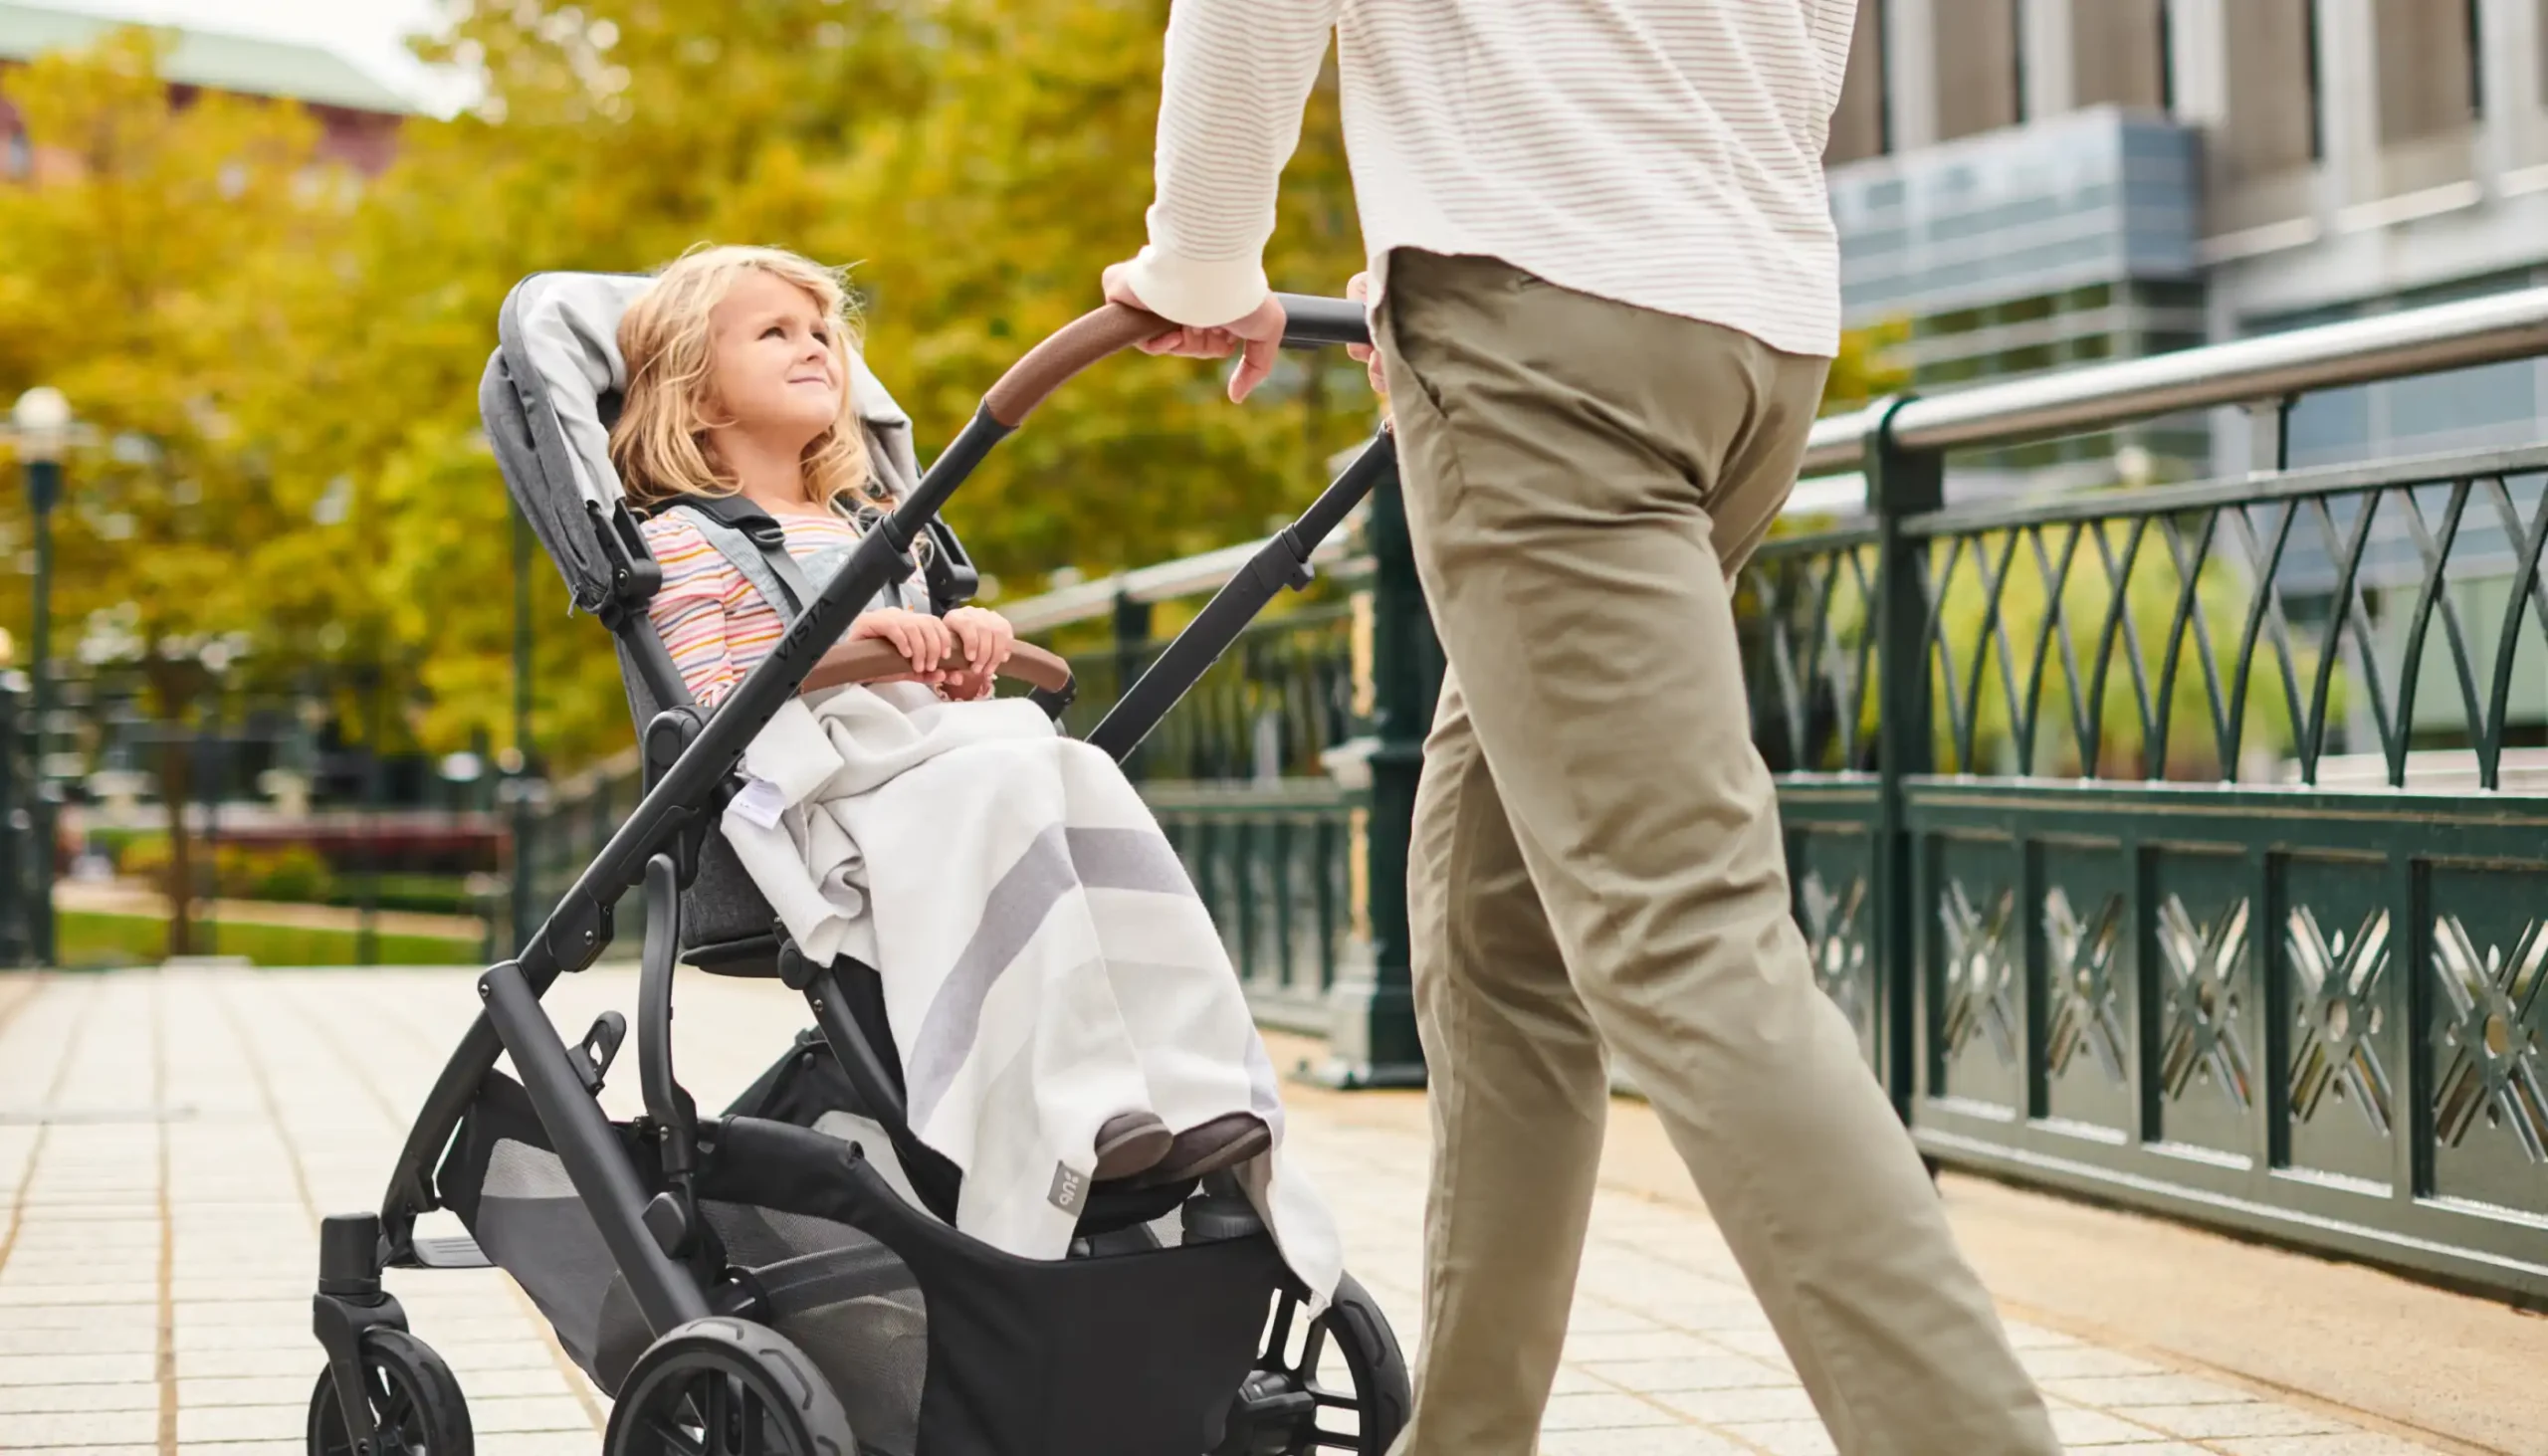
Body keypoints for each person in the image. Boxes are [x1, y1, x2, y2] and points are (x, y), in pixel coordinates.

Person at [1099, 4, 2063, 1453]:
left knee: (1686, 936)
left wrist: (1204, 262)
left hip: (1545, 334)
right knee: (1499, 933)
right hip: (1746, 332)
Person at [612, 244, 1276, 1193]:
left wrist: (957, 644)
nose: (815, 349)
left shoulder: (867, 522)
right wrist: (836, 640)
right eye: (775, 333)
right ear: (700, 392)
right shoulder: (682, 540)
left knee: (1078, 772)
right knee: (1001, 775)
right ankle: (1085, 1099)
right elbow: (707, 707)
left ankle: (1190, 1073)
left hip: (923, 763)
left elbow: (927, 696)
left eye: (821, 332)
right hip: (814, 800)